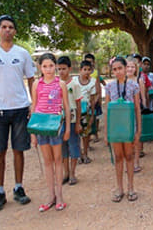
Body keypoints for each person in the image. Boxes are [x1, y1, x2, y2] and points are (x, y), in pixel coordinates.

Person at [0, 15, 36, 212]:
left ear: (15, 31)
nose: (7, 30)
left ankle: (19, 187)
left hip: (20, 108)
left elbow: (31, 79)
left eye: (11, 27)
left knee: (19, 150)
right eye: (4, 27)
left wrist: (33, 104)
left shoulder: (23, 54)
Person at [30, 53, 70, 212]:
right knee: (47, 161)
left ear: (55, 66)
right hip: (40, 127)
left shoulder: (61, 84)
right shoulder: (36, 84)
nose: (48, 69)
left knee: (58, 159)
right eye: (45, 66)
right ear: (40, 67)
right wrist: (32, 133)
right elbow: (34, 107)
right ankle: (50, 196)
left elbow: (66, 107)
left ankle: (60, 195)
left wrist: (67, 128)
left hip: (56, 127)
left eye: (51, 66)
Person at [102, 57, 141, 202]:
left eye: (120, 68)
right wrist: (106, 133)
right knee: (118, 157)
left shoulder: (133, 86)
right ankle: (120, 189)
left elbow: (137, 109)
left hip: (129, 127)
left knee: (129, 156)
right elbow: (107, 111)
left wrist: (138, 131)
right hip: (115, 128)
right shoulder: (109, 87)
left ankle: (131, 188)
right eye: (115, 69)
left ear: (126, 68)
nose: (118, 72)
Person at [56, 57, 81, 185]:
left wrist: (78, 123)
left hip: (72, 120)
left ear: (69, 69)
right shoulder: (56, 84)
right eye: (59, 69)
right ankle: (65, 173)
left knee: (73, 146)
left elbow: (78, 103)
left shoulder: (74, 84)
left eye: (64, 69)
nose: (61, 72)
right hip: (59, 121)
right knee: (62, 149)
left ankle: (72, 173)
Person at [73, 59, 99, 164]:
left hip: (86, 111)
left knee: (86, 134)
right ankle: (78, 155)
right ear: (80, 70)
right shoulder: (74, 81)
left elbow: (92, 99)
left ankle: (85, 154)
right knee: (76, 134)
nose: (87, 72)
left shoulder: (92, 82)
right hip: (75, 110)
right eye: (85, 69)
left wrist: (93, 114)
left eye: (89, 70)